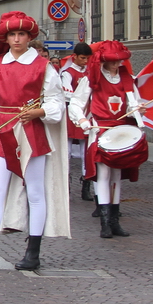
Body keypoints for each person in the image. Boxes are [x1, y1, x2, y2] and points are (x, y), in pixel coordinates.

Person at [0, 11, 69, 271]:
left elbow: (57, 101)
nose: (17, 39)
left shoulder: (44, 67)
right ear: (6, 38)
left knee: (35, 192)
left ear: (29, 37)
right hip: (1, 131)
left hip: (31, 131)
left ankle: (33, 252)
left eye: (22, 34)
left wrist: (40, 111)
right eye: (13, 34)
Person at [68, 40, 147, 238]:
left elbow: (132, 104)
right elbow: (76, 103)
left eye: (120, 61)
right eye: (113, 61)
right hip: (100, 129)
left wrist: (137, 110)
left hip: (120, 130)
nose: (117, 64)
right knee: (103, 174)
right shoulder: (91, 78)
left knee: (117, 176)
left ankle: (114, 220)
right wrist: (83, 120)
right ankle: (104, 222)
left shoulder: (126, 78)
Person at [60, 43, 93, 200]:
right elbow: (66, 93)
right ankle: (65, 184)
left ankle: (86, 184)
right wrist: (81, 99)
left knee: (86, 151)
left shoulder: (90, 73)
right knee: (66, 152)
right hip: (70, 114)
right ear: (74, 57)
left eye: (87, 58)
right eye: (82, 58)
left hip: (86, 114)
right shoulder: (67, 73)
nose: (85, 61)